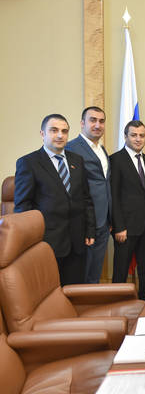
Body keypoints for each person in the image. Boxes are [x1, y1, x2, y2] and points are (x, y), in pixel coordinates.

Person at [14, 114, 95, 285]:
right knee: (48, 289)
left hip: (77, 241)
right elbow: (22, 208)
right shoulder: (28, 162)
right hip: (46, 242)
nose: (60, 135)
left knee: (74, 290)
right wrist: (29, 242)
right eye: (54, 130)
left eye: (64, 131)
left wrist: (89, 230)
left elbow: (86, 199)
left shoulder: (77, 160)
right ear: (42, 134)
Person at [110, 120, 145, 300]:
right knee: (121, 268)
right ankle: (117, 302)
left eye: (142, 135)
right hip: (126, 226)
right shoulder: (115, 160)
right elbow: (114, 195)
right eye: (134, 135)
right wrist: (118, 226)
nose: (138, 139)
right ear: (125, 136)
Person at [65, 106, 111, 284]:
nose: (98, 125)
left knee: (95, 270)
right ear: (82, 123)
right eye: (93, 120)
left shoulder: (101, 149)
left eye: (101, 121)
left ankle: (93, 299)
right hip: (85, 221)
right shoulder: (71, 148)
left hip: (104, 219)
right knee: (82, 273)